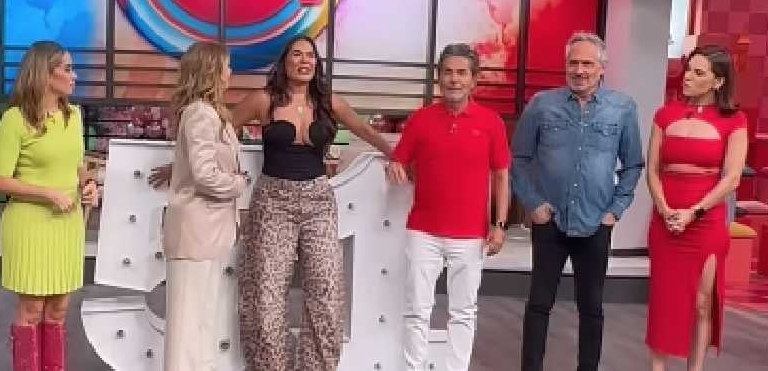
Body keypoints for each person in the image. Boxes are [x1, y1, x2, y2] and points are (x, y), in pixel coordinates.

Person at [233, 35, 393, 371]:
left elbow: (364, 130)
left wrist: (398, 156)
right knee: (265, 297)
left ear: (316, 64)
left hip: (319, 202)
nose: (304, 61)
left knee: (327, 293)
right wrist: (188, 165)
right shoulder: (263, 100)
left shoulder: (329, 102)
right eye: (297, 55)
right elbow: (221, 132)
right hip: (272, 202)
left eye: (310, 55)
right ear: (285, 62)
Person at [511, 31, 644, 371]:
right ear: (565, 65)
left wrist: (615, 210)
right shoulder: (542, 104)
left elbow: (633, 165)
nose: (579, 70)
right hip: (550, 220)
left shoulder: (622, 108)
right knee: (539, 303)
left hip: (596, 222)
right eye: (573, 63)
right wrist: (533, 203)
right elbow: (519, 159)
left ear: (602, 68)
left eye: (587, 64)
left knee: (592, 307)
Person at [386, 43, 511, 371]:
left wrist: (499, 225)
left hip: (471, 234)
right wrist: (395, 165)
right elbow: (399, 159)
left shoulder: (491, 122)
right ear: (438, 77)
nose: (454, 79)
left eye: (462, 73)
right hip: (423, 232)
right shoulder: (420, 119)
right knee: (416, 310)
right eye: (448, 72)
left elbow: (501, 176)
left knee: (463, 312)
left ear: (474, 79)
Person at [0, 41, 99, 371]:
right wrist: (48, 194)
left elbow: (78, 164)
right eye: (67, 69)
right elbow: (1, 181)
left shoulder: (74, 116)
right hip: (30, 225)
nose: (74, 76)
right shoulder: (15, 119)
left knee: (58, 310)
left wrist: (88, 184)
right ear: (45, 74)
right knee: (32, 310)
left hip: (67, 224)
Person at [645, 45, 747, 371]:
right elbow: (652, 170)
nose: (687, 76)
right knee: (663, 299)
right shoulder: (664, 114)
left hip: (705, 221)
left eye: (698, 72)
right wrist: (664, 209)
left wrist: (693, 213)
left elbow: (732, 178)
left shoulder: (735, 120)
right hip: (666, 219)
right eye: (688, 69)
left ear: (718, 82)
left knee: (702, 303)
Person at [163, 41, 248, 371]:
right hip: (195, 231)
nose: (231, 72)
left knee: (202, 322)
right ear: (212, 71)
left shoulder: (211, 114)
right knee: (187, 328)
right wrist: (238, 184)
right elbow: (204, 174)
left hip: (209, 232)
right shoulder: (200, 113)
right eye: (227, 66)